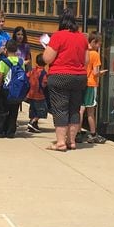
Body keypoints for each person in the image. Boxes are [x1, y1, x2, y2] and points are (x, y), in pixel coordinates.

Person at [42, 8, 88, 151]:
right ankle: (72, 141)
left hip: (60, 76)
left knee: (60, 108)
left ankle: (61, 142)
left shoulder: (58, 36)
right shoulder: (82, 38)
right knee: (74, 109)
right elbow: (86, 61)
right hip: (79, 77)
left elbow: (47, 58)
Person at [80, 32, 107, 144]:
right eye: (99, 43)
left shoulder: (83, 52)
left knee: (80, 109)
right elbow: (95, 73)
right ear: (94, 42)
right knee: (90, 111)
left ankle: (77, 133)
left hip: (82, 82)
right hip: (91, 84)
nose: (99, 46)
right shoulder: (95, 55)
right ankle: (93, 134)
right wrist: (102, 72)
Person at [0, 40, 23, 139]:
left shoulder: (3, 62)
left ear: (6, 50)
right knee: (14, 111)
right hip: (16, 90)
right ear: (16, 50)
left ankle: (1, 130)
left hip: (5, 88)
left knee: (2, 110)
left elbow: (0, 76)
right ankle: (11, 131)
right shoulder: (21, 61)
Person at [26, 54, 49, 133]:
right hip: (39, 95)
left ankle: (33, 124)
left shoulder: (33, 70)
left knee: (33, 110)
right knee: (42, 110)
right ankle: (32, 122)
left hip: (31, 94)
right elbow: (44, 83)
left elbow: (27, 76)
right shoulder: (43, 73)